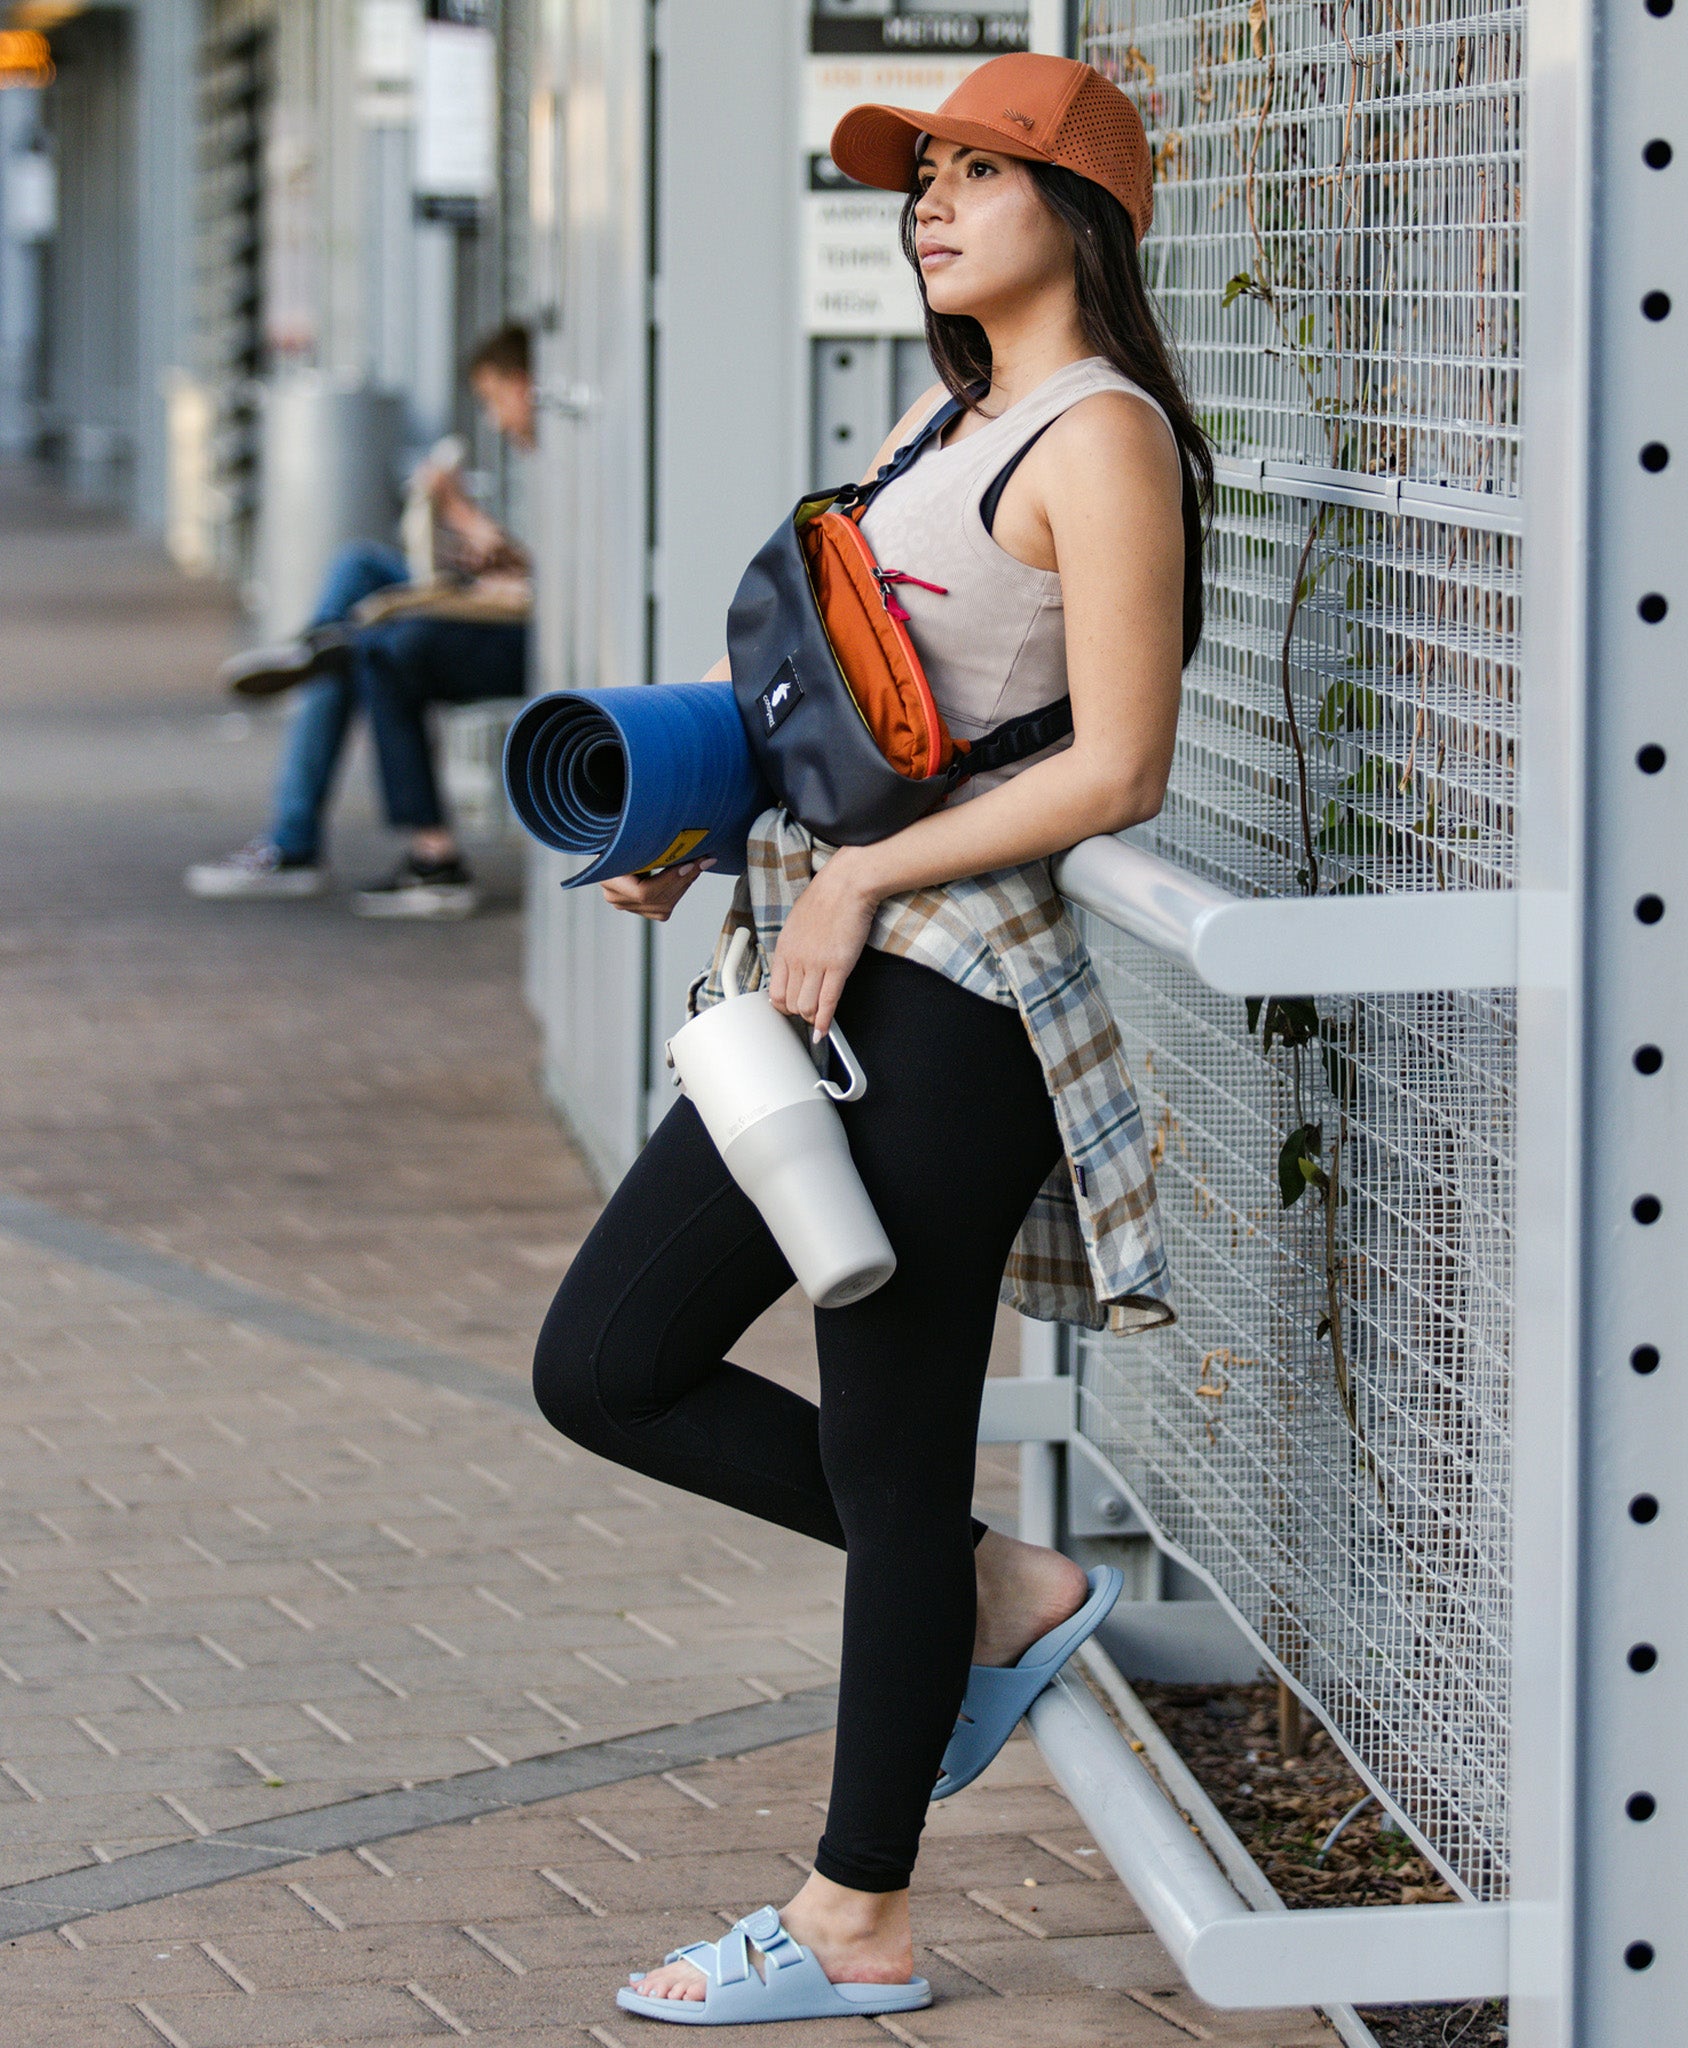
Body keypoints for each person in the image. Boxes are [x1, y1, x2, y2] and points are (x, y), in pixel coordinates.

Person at [531, 53, 1215, 2027]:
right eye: (915, 174)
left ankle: (858, 1916)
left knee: (894, 1461)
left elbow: (1119, 756)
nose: (929, 202)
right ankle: (1002, 1591)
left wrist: (852, 882)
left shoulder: (1098, 437)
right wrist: (711, 823)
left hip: (955, 1001)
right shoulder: (949, 410)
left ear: (1071, 209)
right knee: (608, 1362)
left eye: (973, 172)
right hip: (834, 974)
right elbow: (866, 697)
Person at [184, 323, 536, 919]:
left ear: (524, 384)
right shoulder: (551, 451)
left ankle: (432, 859)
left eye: (495, 398)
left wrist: (467, 521)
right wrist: (483, 553)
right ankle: (315, 648)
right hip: (506, 607)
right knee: (360, 566)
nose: (497, 420)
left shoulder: (578, 448)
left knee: (382, 649)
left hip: (530, 635)